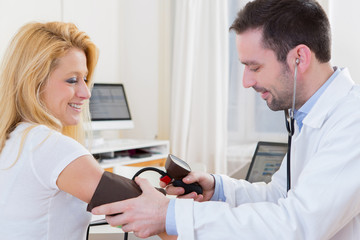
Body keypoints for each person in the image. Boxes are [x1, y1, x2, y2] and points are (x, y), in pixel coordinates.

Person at [91, 0, 360, 239]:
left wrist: (170, 215)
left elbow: (297, 225)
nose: (246, 82)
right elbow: (279, 196)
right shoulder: (306, 117)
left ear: (299, 58)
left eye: (255, 67)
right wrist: (218, 188)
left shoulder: (352, 119)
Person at [0, 22, 106, 239]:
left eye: (85, 80)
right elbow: (147, 213)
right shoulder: (50, 146)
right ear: (34, 83)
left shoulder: (13, 140)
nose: (86, 93)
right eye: (72, 80)